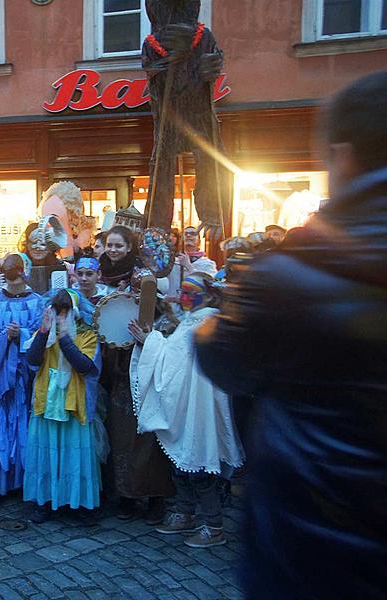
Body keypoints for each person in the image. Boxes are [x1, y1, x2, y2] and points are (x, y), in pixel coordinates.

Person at [194, 71, 387, 598]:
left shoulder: (290, 273)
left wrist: (211, 321)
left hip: (312, 533)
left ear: (343, 157)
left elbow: (225, 360)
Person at [129, 274, 244, 548]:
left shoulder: (208, 322)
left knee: (200, 465)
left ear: (209, 296)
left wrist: (151, 340)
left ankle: (213, 525)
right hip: (184, 403)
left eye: (190, 291)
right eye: (183, 290)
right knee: (180, 465)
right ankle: (185, 512)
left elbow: (173, 357)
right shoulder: (191, 321)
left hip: (201, 406)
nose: (184, 295)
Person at [97, 225, 173, 522]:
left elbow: (161, 316)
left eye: (119, 246)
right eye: (109, 245)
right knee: (120, 431)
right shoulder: (99, 273)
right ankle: (126, 495)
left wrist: (147, 336)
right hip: (114, 364)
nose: (113, 250)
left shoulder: (143, 278)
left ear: (130, 248)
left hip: (140, 361)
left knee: (146, 430)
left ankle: (155, 496)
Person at [24, 290, 104, 523]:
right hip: (46, 403)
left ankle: (81, 504)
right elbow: (32, 360)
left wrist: (66, 339)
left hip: (73, 404)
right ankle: (45, 501)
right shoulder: (44, 333)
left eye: (65, 310)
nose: (60, 315)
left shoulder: (88, 335)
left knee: (75, 455)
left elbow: (85, 366)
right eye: (57, 310)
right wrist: (43, 332)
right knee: (47, 454)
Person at [0, 253, 44, 510]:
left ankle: (28, 484)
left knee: (26, 427)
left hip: (26, 379)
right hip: (0, 380)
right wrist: (4, 338)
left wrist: (21, 335)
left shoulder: (37, 302)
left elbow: (42, 334)